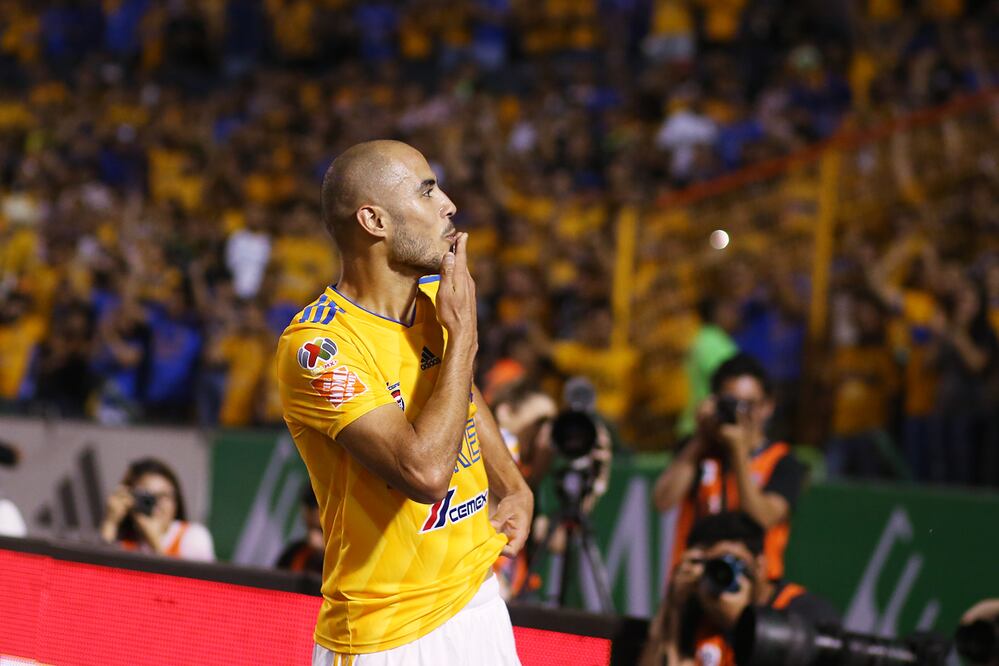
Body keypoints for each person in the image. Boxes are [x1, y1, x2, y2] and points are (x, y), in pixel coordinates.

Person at [276, 140, 532, 665]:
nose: (450, 205)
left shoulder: (434, 306)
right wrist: (464, 341)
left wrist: (511, 483)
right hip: (388, 635)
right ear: (374, 220)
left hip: (478, 602)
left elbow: (458, 393)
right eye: (427, 189)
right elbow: (423, 473)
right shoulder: (319, 349)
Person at [654, 353, 806, 581]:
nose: (741, 413)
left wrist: (738, 452)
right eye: (732, 403)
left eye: (750, 404)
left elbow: (763, 517)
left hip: (753, 589)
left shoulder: (784, 462)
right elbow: (662, 501)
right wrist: (700, 438)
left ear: (768, 406)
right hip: (693, 581)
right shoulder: (698, 450)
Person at [640, 512, 839, 666]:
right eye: (713, 565)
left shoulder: (804, 615)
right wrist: (673, 606)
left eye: (732, 562)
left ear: (760, 565)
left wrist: (741, 624)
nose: (721, 575)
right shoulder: (698, 607)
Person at [99, 457, 215, 561]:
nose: (157, 504)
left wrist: (155, 541)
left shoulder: (193, 537)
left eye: (164, 496)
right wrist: (111, 523)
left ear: (176, 501)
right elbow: (99, 576)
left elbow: (181, 583)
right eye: (148, 497)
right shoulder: (126, 541)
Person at [274, 485, 324, 577]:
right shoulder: (295, 551)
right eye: (308, 507)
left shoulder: (342, 552)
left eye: (315, 507)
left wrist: (324, 551)